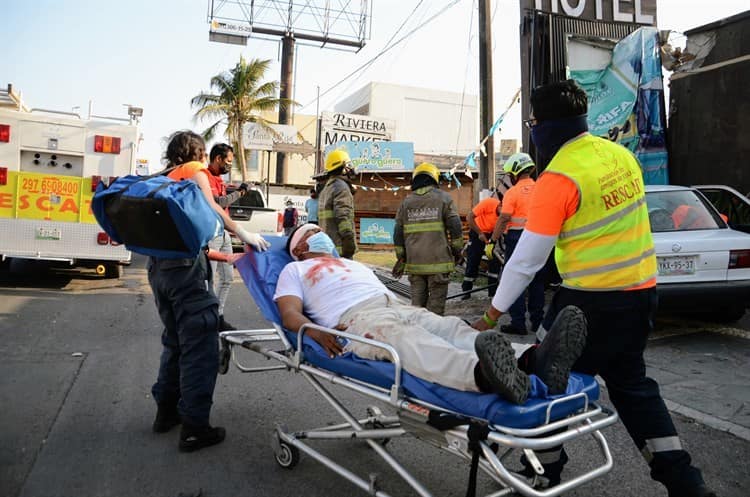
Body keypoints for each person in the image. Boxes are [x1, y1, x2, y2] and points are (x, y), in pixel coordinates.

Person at [473, 80, 715, 497]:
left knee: (541, 383)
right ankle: (686, 484)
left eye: (533, 122)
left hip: (585, 305)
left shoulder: (560, 177)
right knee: (633, 387)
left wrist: (491, 314)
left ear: (544, 126)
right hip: (641, 297)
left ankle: (544, 473)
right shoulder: (622, 157)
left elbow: (527, 259)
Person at [274, 224, 587, 405]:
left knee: (450, 327)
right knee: (408, 341)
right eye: (311, 232)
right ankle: (481, 374)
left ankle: (532, 360)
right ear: (299, 249)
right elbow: (290, 314)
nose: (320, 232)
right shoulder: (295, 269)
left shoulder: (351, 263)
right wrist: (314, 331)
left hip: (392, 303)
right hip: (356, 319)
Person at [149, 131, 270, 453]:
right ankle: (194, 428)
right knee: (200, 348)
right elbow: (213, 207)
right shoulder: (193, 171)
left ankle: (165, 413)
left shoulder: (163, 177)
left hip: (159, 270)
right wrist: (243, 232)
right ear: (198, 153)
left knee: (174, 341)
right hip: (185, 272)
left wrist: (227, 255)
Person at [393, 163, 463, 315]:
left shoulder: (406, 202)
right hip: (439, 263)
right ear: (434, 178)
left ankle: (418, 334)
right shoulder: (444, 198)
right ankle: (433, 334)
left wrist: (401, 257)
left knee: (417, 308)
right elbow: (455, 226)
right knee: (436, 310)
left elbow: (398, 232)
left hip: (415, 265)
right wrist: (457, 251)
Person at [491, 153, 545, 335]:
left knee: (515, 278)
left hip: (516, 238)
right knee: (536, 279)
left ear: (514, 173)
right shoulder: (540, 189)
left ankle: (518, 323)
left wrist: (492, 241)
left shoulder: (512, 193)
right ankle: (538, 322)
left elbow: (504, 217)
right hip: (537, 236)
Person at [206, 143, 248, 331]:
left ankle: (218, 316)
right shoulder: (205, 177)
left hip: (224, 234)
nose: (229, 166)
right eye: (228, 161)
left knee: (228, 277)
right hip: (211, 234)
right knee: (209, 280)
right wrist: (240, 192)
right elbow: (219, 202)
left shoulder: (219, 180)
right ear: (218, 159)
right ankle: (206, 318)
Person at [461, 191, 503, 299]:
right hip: (477, 231)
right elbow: (469, 217)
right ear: (500, 205)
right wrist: (480, 233)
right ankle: (466, 291)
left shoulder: (505, 215)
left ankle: (492, 293)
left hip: (492, 234)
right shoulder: (488, 203)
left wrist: (493, 241)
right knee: (473, 260)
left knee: (494, 262)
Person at [318, 149, 357, 259]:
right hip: (340, 247)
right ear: (342, 168)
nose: (351, 168)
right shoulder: (341, 187)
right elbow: (343, 215)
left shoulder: (327, 187)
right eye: (348, 165)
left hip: (328, 245)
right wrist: (348, 238)